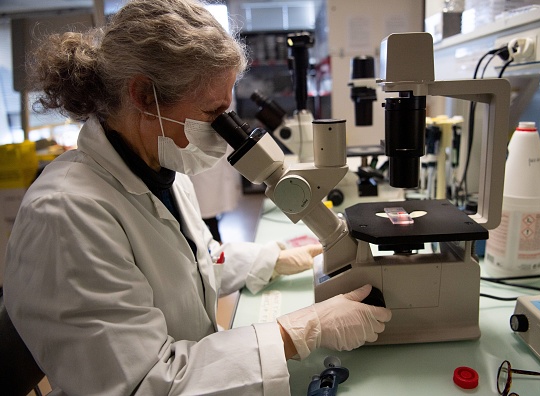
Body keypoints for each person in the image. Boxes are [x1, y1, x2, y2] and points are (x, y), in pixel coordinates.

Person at [3, 0, 392, 395]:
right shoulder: (68, 214)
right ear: (142, 94)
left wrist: (272, 258)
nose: (224, 131)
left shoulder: (161, 170)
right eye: (213, 113)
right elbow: (143, 384)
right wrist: (297, 332)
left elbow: (196, 262)